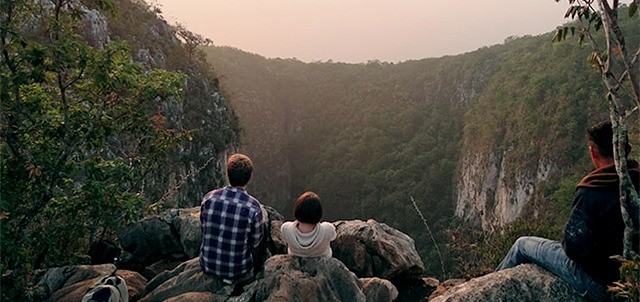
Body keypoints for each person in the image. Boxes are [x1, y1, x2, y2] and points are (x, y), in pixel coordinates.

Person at [496, 121, 640, 302]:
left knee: (522, 244)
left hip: (598, 284)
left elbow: (573, 247)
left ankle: (489, 289)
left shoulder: (593, 189)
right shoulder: (635, 181)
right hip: (632, 283)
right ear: (626, 150)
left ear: (593, 152)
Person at [199, 153, 265, 286]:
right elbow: (256, 241)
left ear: (227, 174)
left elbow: (203, 228)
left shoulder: (209, 198)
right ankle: (258, 273)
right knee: (264, 228)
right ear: (249, 177)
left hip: (207, 265)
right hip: (237, 269)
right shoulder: (253, 207)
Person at [281, 191, 337, 257]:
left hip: (295, 257)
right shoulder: (328, 229)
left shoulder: (286, 229)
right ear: (319, 212)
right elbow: (333, 237)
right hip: (322, 258)